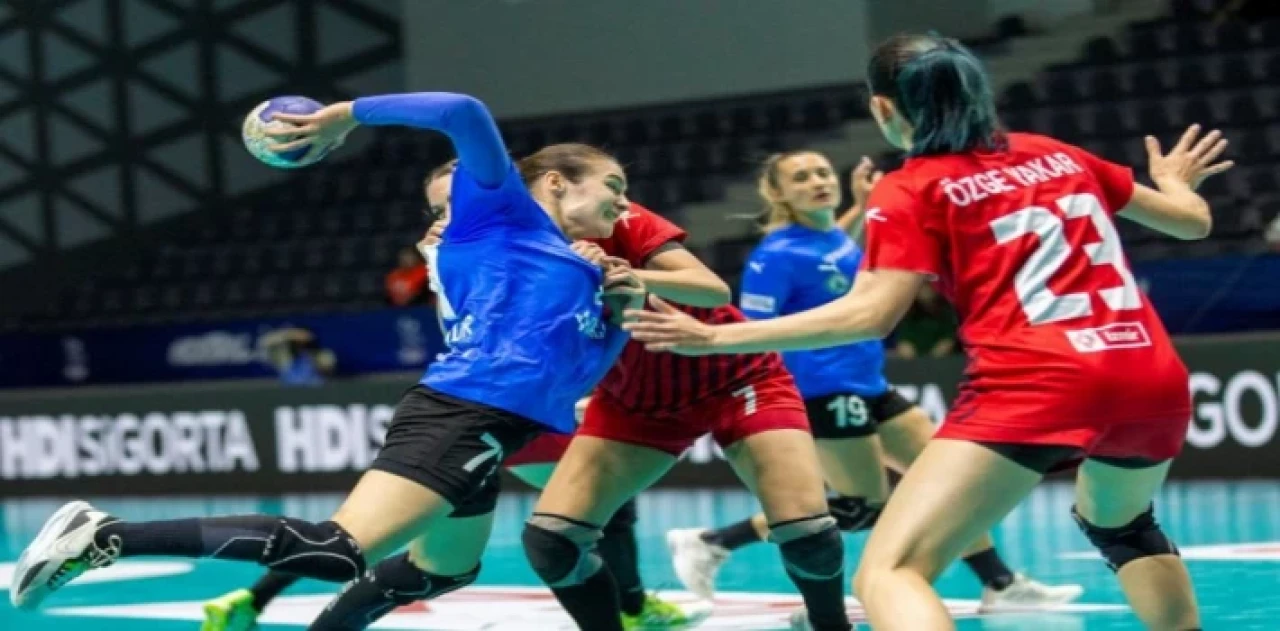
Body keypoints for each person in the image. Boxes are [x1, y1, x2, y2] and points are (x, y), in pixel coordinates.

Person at [624, 32, 1231, 631]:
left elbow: (869, 314)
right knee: (1123, 525)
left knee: (890, 573)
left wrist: (712, 338)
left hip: (1039, 382)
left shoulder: (913, 186)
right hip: (1150, 377)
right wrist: (1177, 182)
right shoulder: (1057, 154)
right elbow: (1191, 223)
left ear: (883, 108)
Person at [10, 92, 646, 631]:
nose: (623, 203)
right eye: (614, 187)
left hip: (500, 426)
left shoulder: (573, 267)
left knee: (444, 569)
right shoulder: (502, 215)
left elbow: (573, 378)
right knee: (335, 550)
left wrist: (622, 313)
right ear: (555, 183)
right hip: (465, 414)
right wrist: (342, 116)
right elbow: (462, 111)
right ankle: (104, 535)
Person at [200, 165, 696, 631]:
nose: (449, 217)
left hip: (520, 408)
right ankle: (633, 609)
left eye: (458, 203)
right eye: (440, 210)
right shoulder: (470, 255)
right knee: (585, 512)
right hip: (507, 412)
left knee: (413, 548)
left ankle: (255, 598)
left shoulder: (544, 237)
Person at [665, 149, 1082, 611]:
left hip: (871, 384)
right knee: (862, 507)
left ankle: (1001, 584)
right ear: (779, 194)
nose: (817, 182)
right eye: (801, 178)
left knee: (949, 481)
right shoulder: (776, 256)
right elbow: (751, 328)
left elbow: (830, 257)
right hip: (824, 390)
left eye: (822, 172)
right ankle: (714, 541)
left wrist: (860, 208)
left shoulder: (834, 235)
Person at [522, 204, 856, 631]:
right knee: (553, 541)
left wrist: (627, 275)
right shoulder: (504, 253)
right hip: (636, 401)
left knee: (809, 535)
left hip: (733, 376)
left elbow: (713, 289)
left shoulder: (622, 217)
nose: (619, 197)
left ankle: (830, 625)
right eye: (612, 186)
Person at [260, 327, 337, 386]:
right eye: (295, 343)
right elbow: (264, 342)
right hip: (289, 392)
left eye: (302, 343)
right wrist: (288, 335)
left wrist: (312, 359)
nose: (299, 345)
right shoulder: (283, 357)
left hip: (315, 391)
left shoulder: (322, 355)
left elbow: (328, 369)